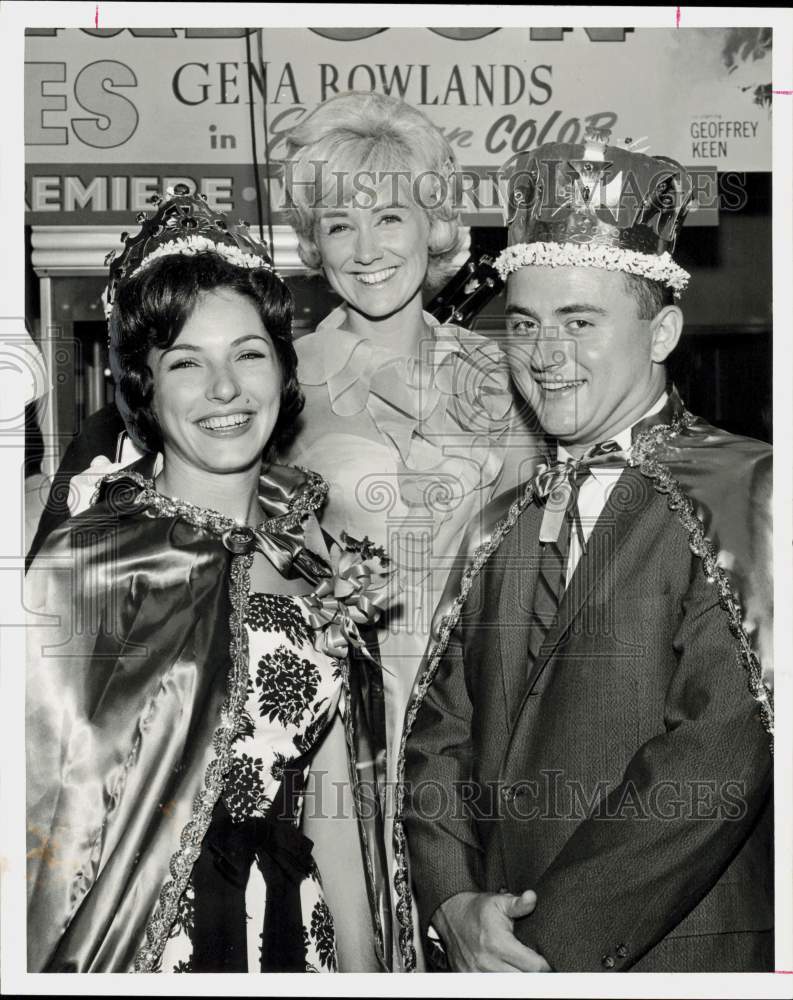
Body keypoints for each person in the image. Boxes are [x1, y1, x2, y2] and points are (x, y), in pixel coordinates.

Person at [395, 129, 774, 973]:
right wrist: (453, 903)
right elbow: (439, 734)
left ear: (662, 330)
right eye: (523, 323)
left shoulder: (747, 487)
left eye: (579, 321)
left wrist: (535, 946)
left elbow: (716, 755)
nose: (545, 354)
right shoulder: (500, 518)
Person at [25, 188, 393, 973]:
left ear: (283, 369)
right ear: (145, 391)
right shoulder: (89, 562)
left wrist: (366, 973)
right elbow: (41, 827)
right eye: (186, 363)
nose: (224, 390)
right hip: (146, 944)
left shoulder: (309, 549)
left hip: (295, 929)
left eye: (248, 354)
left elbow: (331, 805)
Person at [278, 90, 538, 968]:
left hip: (485, 715)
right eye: (339, 224)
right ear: (313, 244)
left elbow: (545, 555)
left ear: (432, 224)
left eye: (390, 215)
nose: (367, 248)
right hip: (344, 725)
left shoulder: (503, 375)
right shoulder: (278, 383)